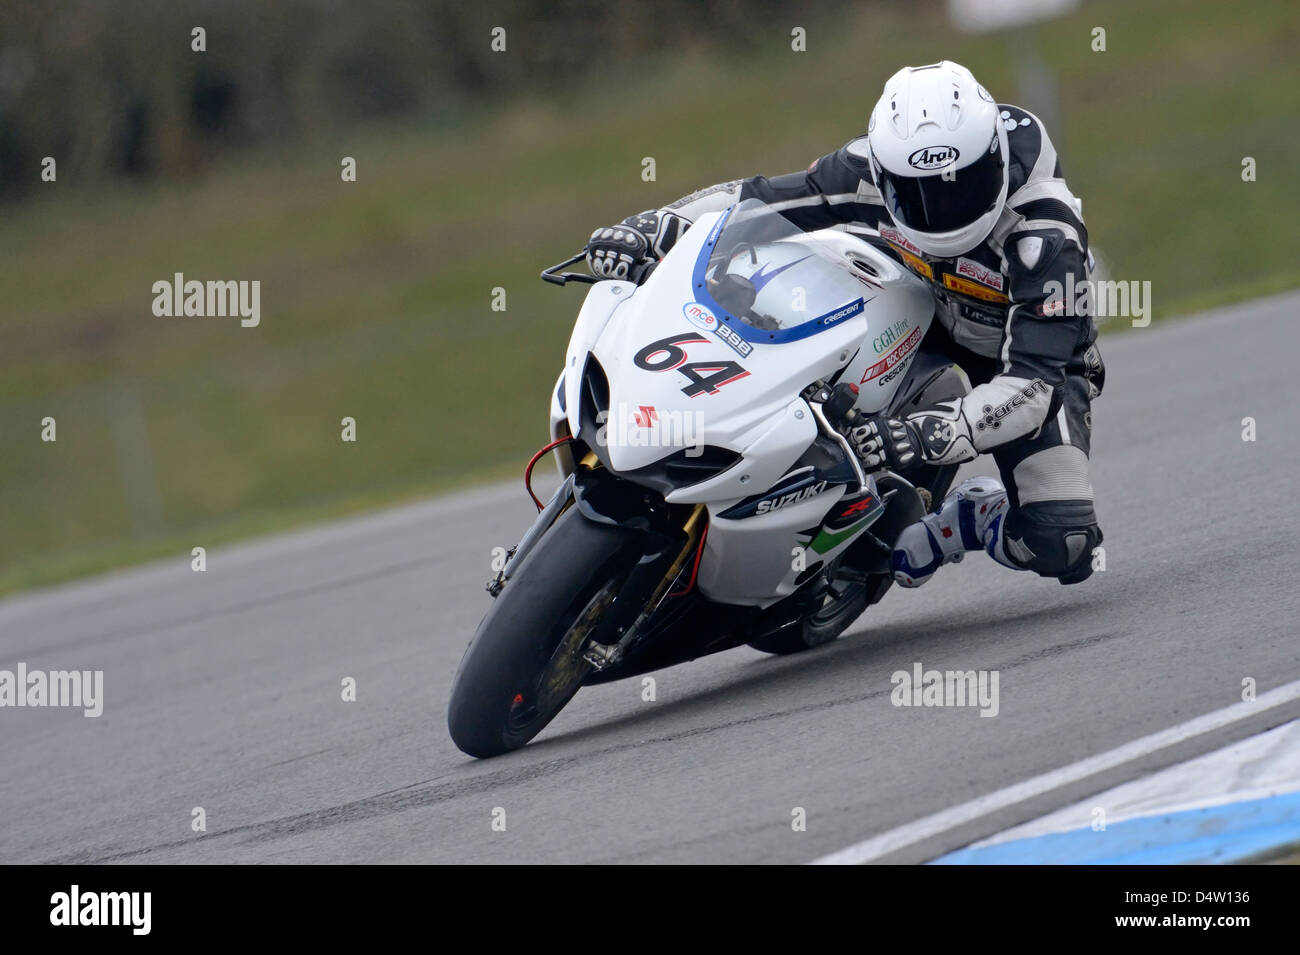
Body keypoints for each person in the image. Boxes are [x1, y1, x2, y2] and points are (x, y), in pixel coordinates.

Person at [584, 61, 1104, 587]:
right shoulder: (863, 167)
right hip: (911, 301)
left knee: (1062, 541)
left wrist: (929, 435)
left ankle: (965, 519)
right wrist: (651, 227)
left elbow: (1034, 385)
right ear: (884, 173)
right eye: (915, 192)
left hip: (1014, 357)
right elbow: (755, 200)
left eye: (959, 186)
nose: (940, 207)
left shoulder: (1047, 237)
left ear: (994, 157)